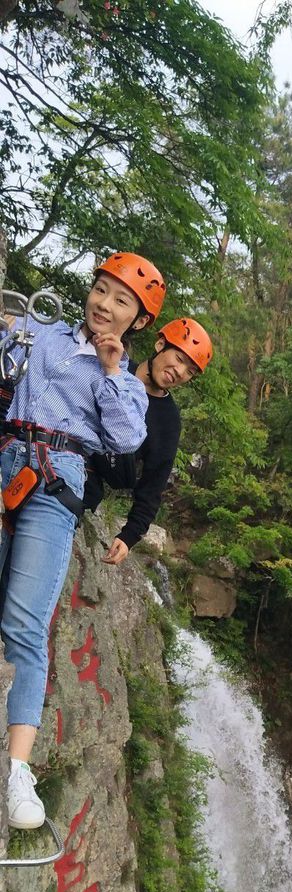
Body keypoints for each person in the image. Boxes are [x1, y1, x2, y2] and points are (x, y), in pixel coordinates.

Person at [2, 251, 166, 830]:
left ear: (139, 321)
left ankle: (16, 773)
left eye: (122, 301)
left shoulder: (123, 382)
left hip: (53, 484)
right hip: (4, 461)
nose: (105, 304)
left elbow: (125, 441)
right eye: (102, 290)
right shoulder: (41, 335)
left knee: (25, 624)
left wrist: (115, 369)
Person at [84, 317, 213, 564]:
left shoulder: (168, 420)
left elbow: (154, 483)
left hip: (86, 483)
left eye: (190, 371)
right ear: (160, 345)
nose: (180, 372)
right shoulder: (112, 363)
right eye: (179, 359)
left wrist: (130, 535)